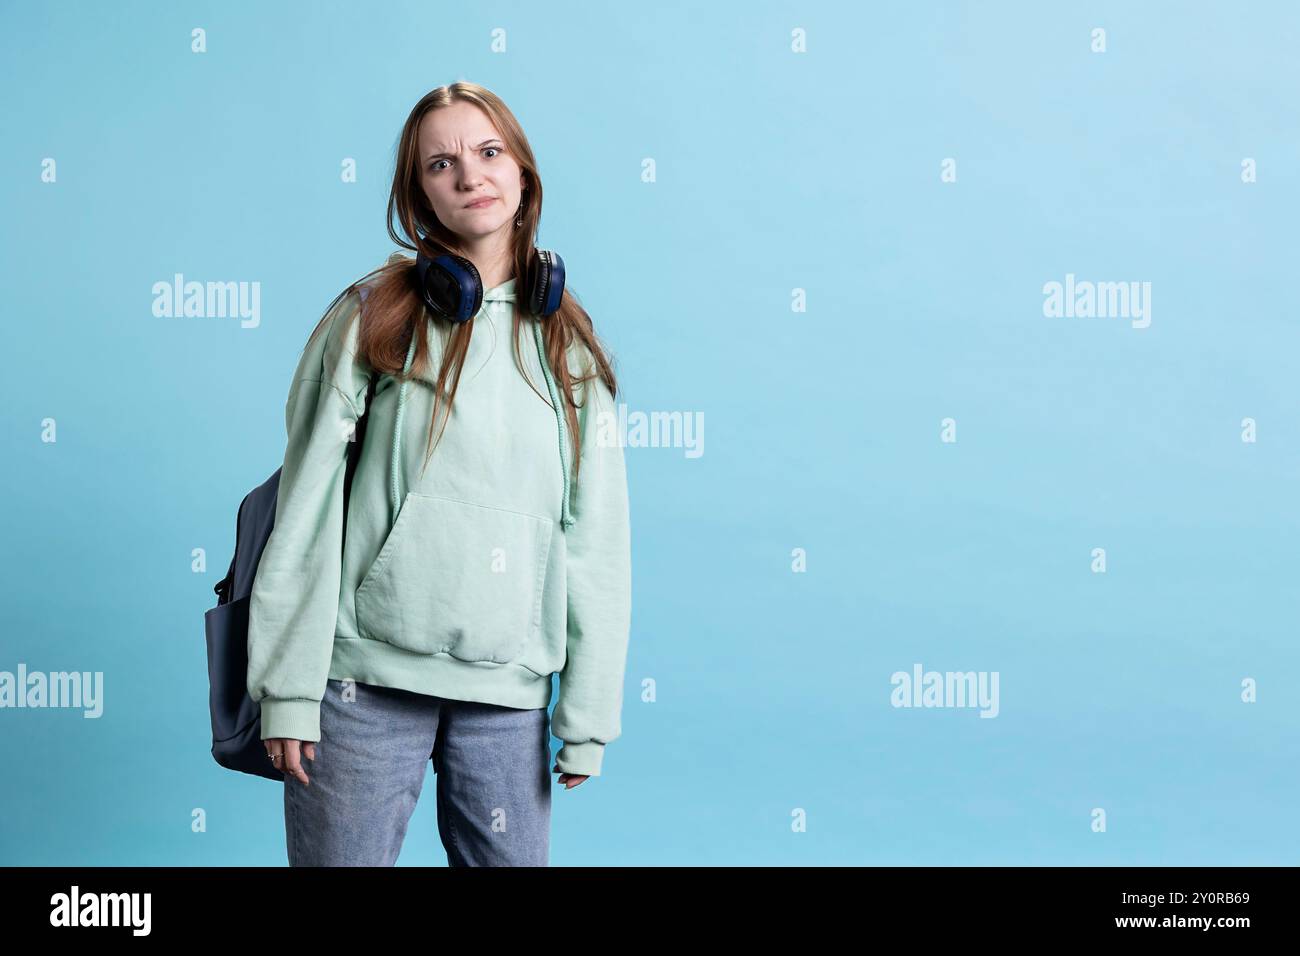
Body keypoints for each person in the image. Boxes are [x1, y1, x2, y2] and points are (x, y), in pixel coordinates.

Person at [244, 81, 632, 867]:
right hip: (360, 686)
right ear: (417, 193)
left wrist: (586, 716)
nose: (470, 176)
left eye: (489, 153)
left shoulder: (571, 349)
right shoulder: (369, 317)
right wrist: (287, 688)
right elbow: (307, 505)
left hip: (508, 696)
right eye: (440, 164)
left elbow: (597, 539)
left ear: (523, 175)